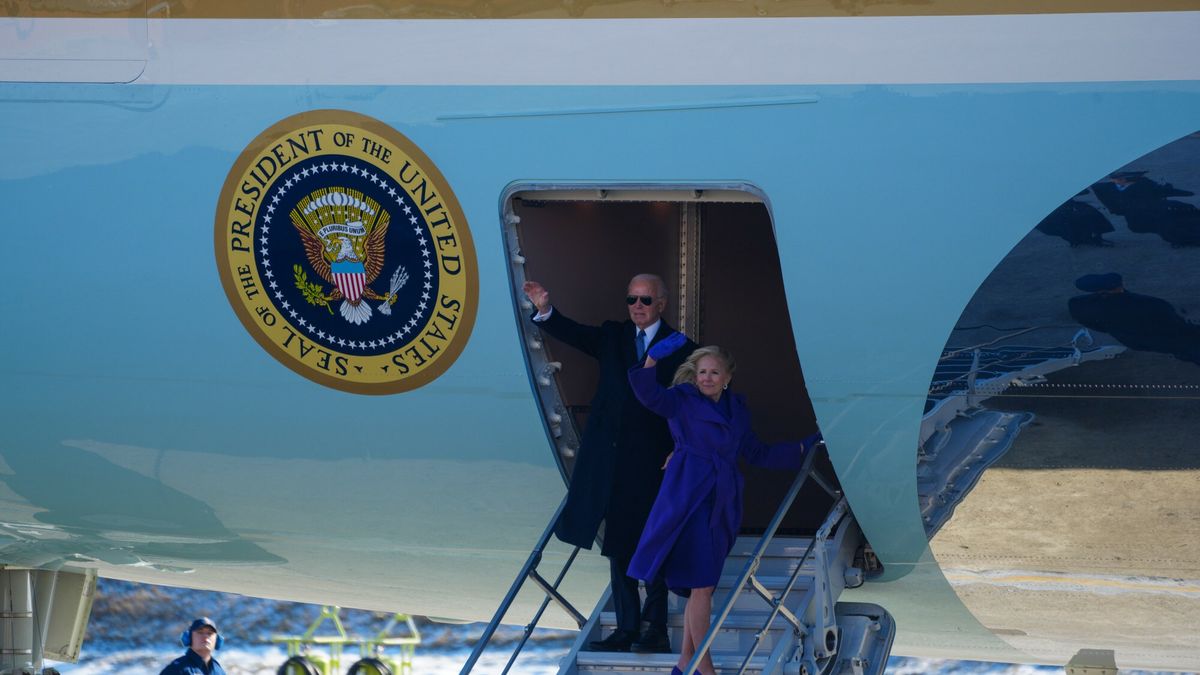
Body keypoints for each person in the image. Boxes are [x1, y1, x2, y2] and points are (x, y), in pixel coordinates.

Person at [523, 274, 696, 653]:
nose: (637, 306)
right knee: (618, 546)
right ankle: (627, 628)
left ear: (662, 304)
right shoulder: (613, 336)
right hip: (615, 459)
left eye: (645, 300)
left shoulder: (681, 348)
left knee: (654, 544)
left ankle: (656, 629)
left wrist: (682, 447)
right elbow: (572, 333)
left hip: (655, 461)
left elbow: (694, 401)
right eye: (631, 299)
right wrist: (544, 309)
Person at [627, 343, 822, 675]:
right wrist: (651, 360)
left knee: (704, 586)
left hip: (723, 500)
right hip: (689, 497)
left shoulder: (737, 410)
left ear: (728, 377)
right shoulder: (683, 399)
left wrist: (805, 447)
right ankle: (707, 669)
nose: (706, 378)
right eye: (702, 372)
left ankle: (685, 662)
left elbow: (757, 452)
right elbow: (651, 397)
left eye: (714, 372)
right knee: (701, 584)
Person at [1068, 272, 1200, 365]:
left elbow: (1092, 324)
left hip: (1130, 339)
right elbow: (1175, 325)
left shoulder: (1078, 304)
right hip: (1163, 338)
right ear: (1120, 286)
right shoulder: (1151, 304)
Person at [160, 617, 226, 675]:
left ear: (217, 640)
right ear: (189, 637)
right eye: (200, 632)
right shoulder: (176, 669)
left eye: (210, 633)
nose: (206, 636)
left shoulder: (219, 671)